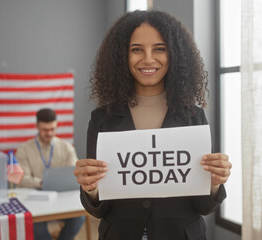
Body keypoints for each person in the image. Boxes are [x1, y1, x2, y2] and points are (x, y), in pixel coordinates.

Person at [74, 10, 232, 240]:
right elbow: (97, 209)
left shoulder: (193, 116)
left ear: (175, 54)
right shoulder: (102, 119)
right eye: (136, 49)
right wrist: (91, 188)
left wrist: (214, 184)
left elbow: (203, 207)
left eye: (160, 48)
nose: (148, 59)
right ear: (121, 56)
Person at [16, 108, 85, 240]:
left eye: (52, 129)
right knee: (36, 225)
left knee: (78, 218)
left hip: (62, 200)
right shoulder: (24, 150)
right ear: (37, 126)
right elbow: (20, 179)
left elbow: (73, 175)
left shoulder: (67, 148)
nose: (49, 133)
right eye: (45, 130)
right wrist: (42, 183)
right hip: (35, 200)